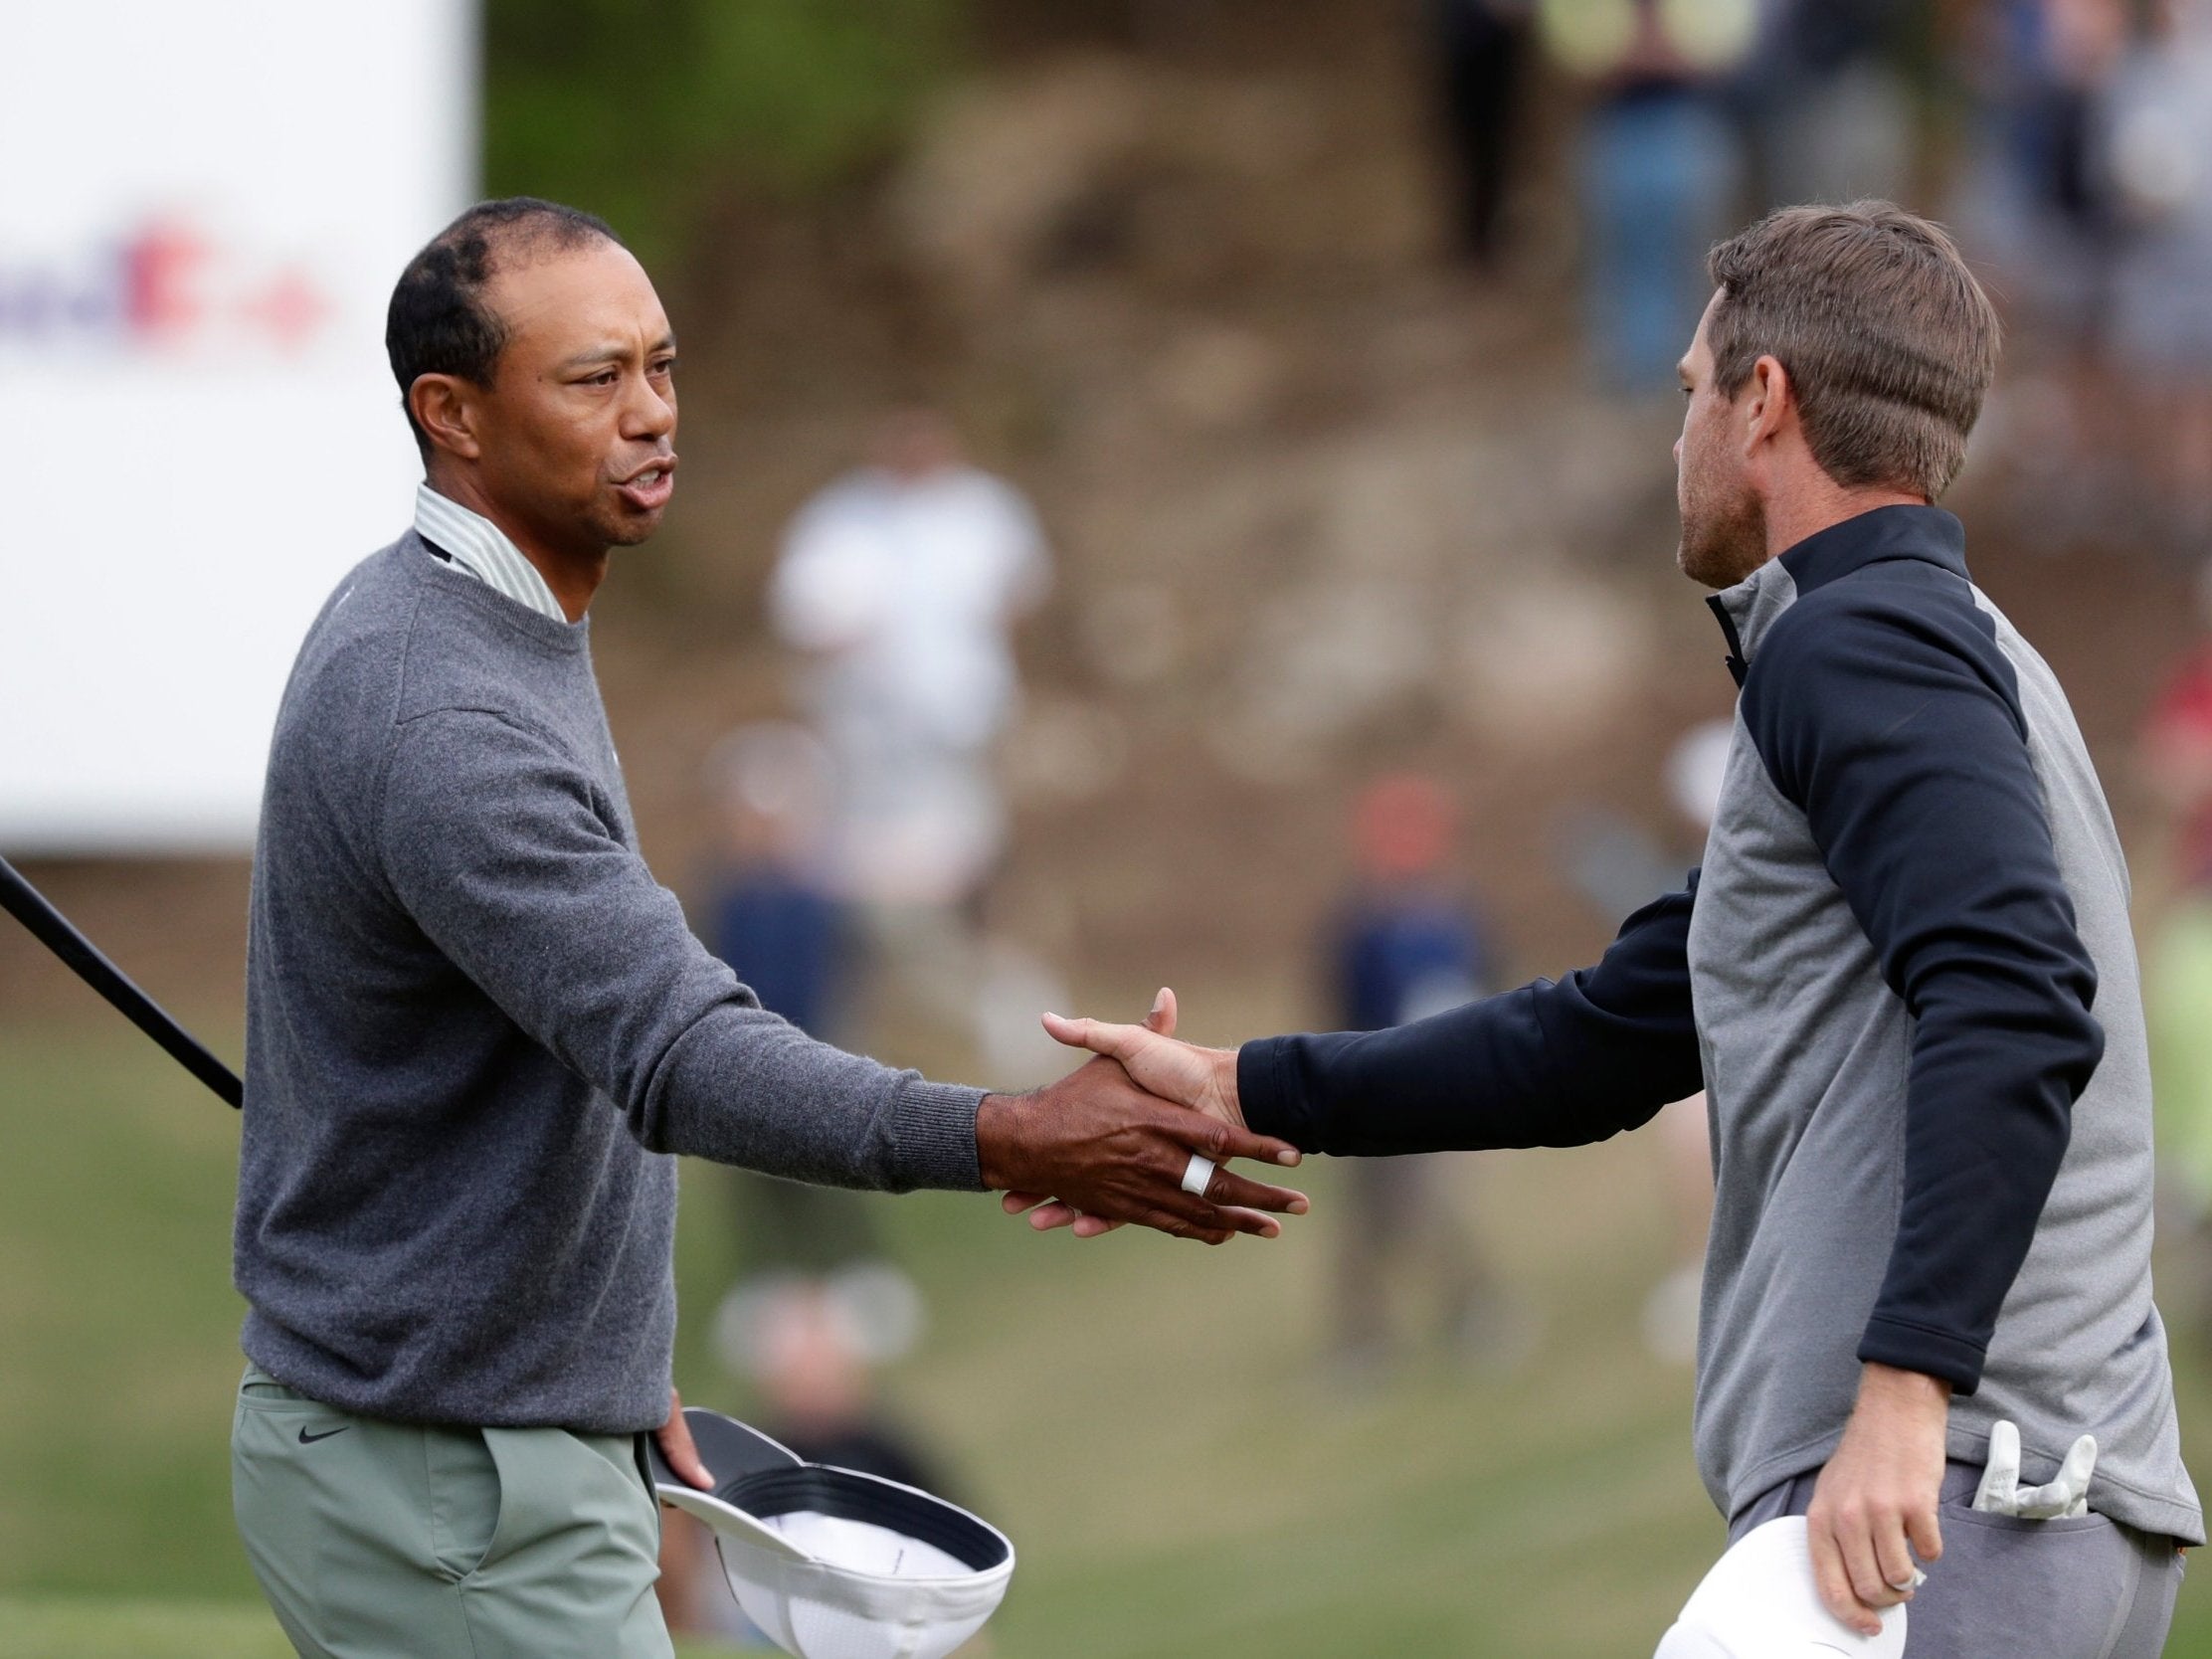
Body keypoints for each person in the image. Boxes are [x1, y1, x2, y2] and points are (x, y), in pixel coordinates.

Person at [1032, 202, 2202, 1652]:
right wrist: (1239, 1088)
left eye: (1690, 391)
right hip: (2027, 1516)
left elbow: (2019, 995)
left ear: (1762, 401)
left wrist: (1906, 1390)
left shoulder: (1862, 641)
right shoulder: (1944, 651)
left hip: (1943, 1513)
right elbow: (1607, 1037)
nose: (1678, 437)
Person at [229, 197, 1308, 1659]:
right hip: (444, 1482)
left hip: (498, 1429)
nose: (655, 415)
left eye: (662, 368)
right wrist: (1014, 1132)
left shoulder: (489, 622)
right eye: (594, 380)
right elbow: (678, 1051)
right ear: (455, 416)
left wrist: (598, 1365)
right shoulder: (443, 709)